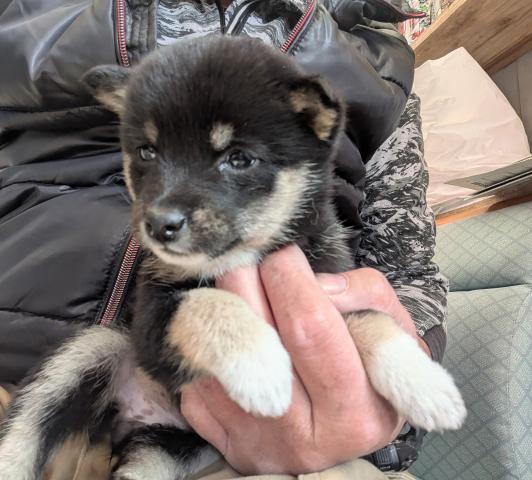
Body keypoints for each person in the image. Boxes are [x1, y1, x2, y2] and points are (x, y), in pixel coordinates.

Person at [0, 1, 448, 478]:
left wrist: (387, 391)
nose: (163, 208)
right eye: (148, 152)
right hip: (31, 370)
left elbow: (408, 275)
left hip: (251, 437)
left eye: (237, 160)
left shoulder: (379, 65)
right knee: (93, 356)